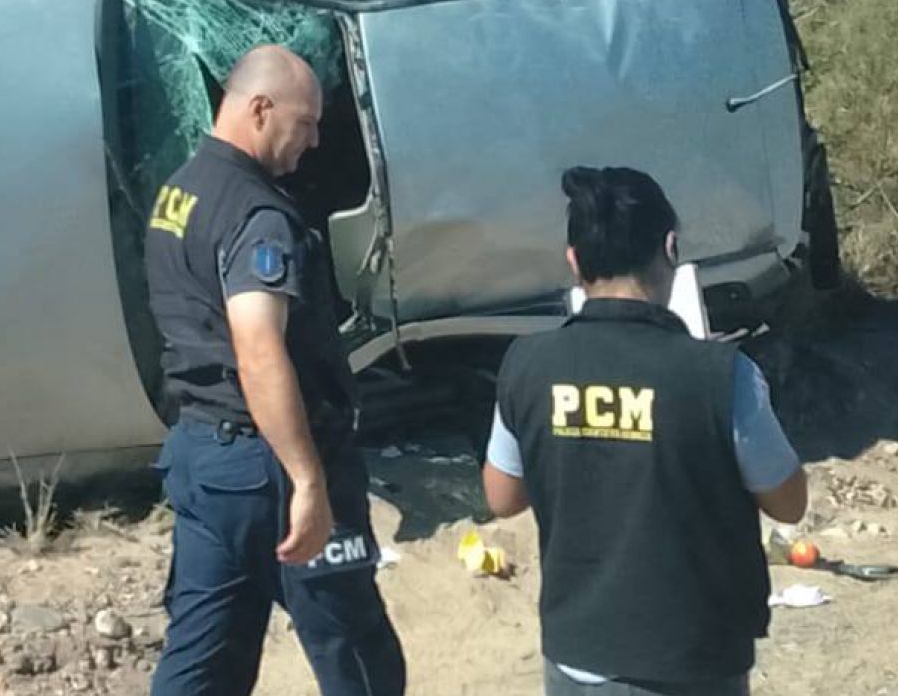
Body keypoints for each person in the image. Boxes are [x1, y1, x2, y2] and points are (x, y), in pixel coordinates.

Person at [482, 166, 808, 696]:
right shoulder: (721, 375)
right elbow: (789, 503)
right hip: (694, 658)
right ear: (671, 248)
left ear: (573, 261)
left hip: (578, 659)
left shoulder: (525, 365)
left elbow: (501, 496)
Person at [145, 44, 405, 696]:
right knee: (357, 654)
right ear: (261, 109)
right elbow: (259, 348)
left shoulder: (178, 192)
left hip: (202, 458)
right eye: (307, 122)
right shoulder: (257, 213)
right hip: (269, 467)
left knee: (204, 660)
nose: (314, 141)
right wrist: (307, 478)